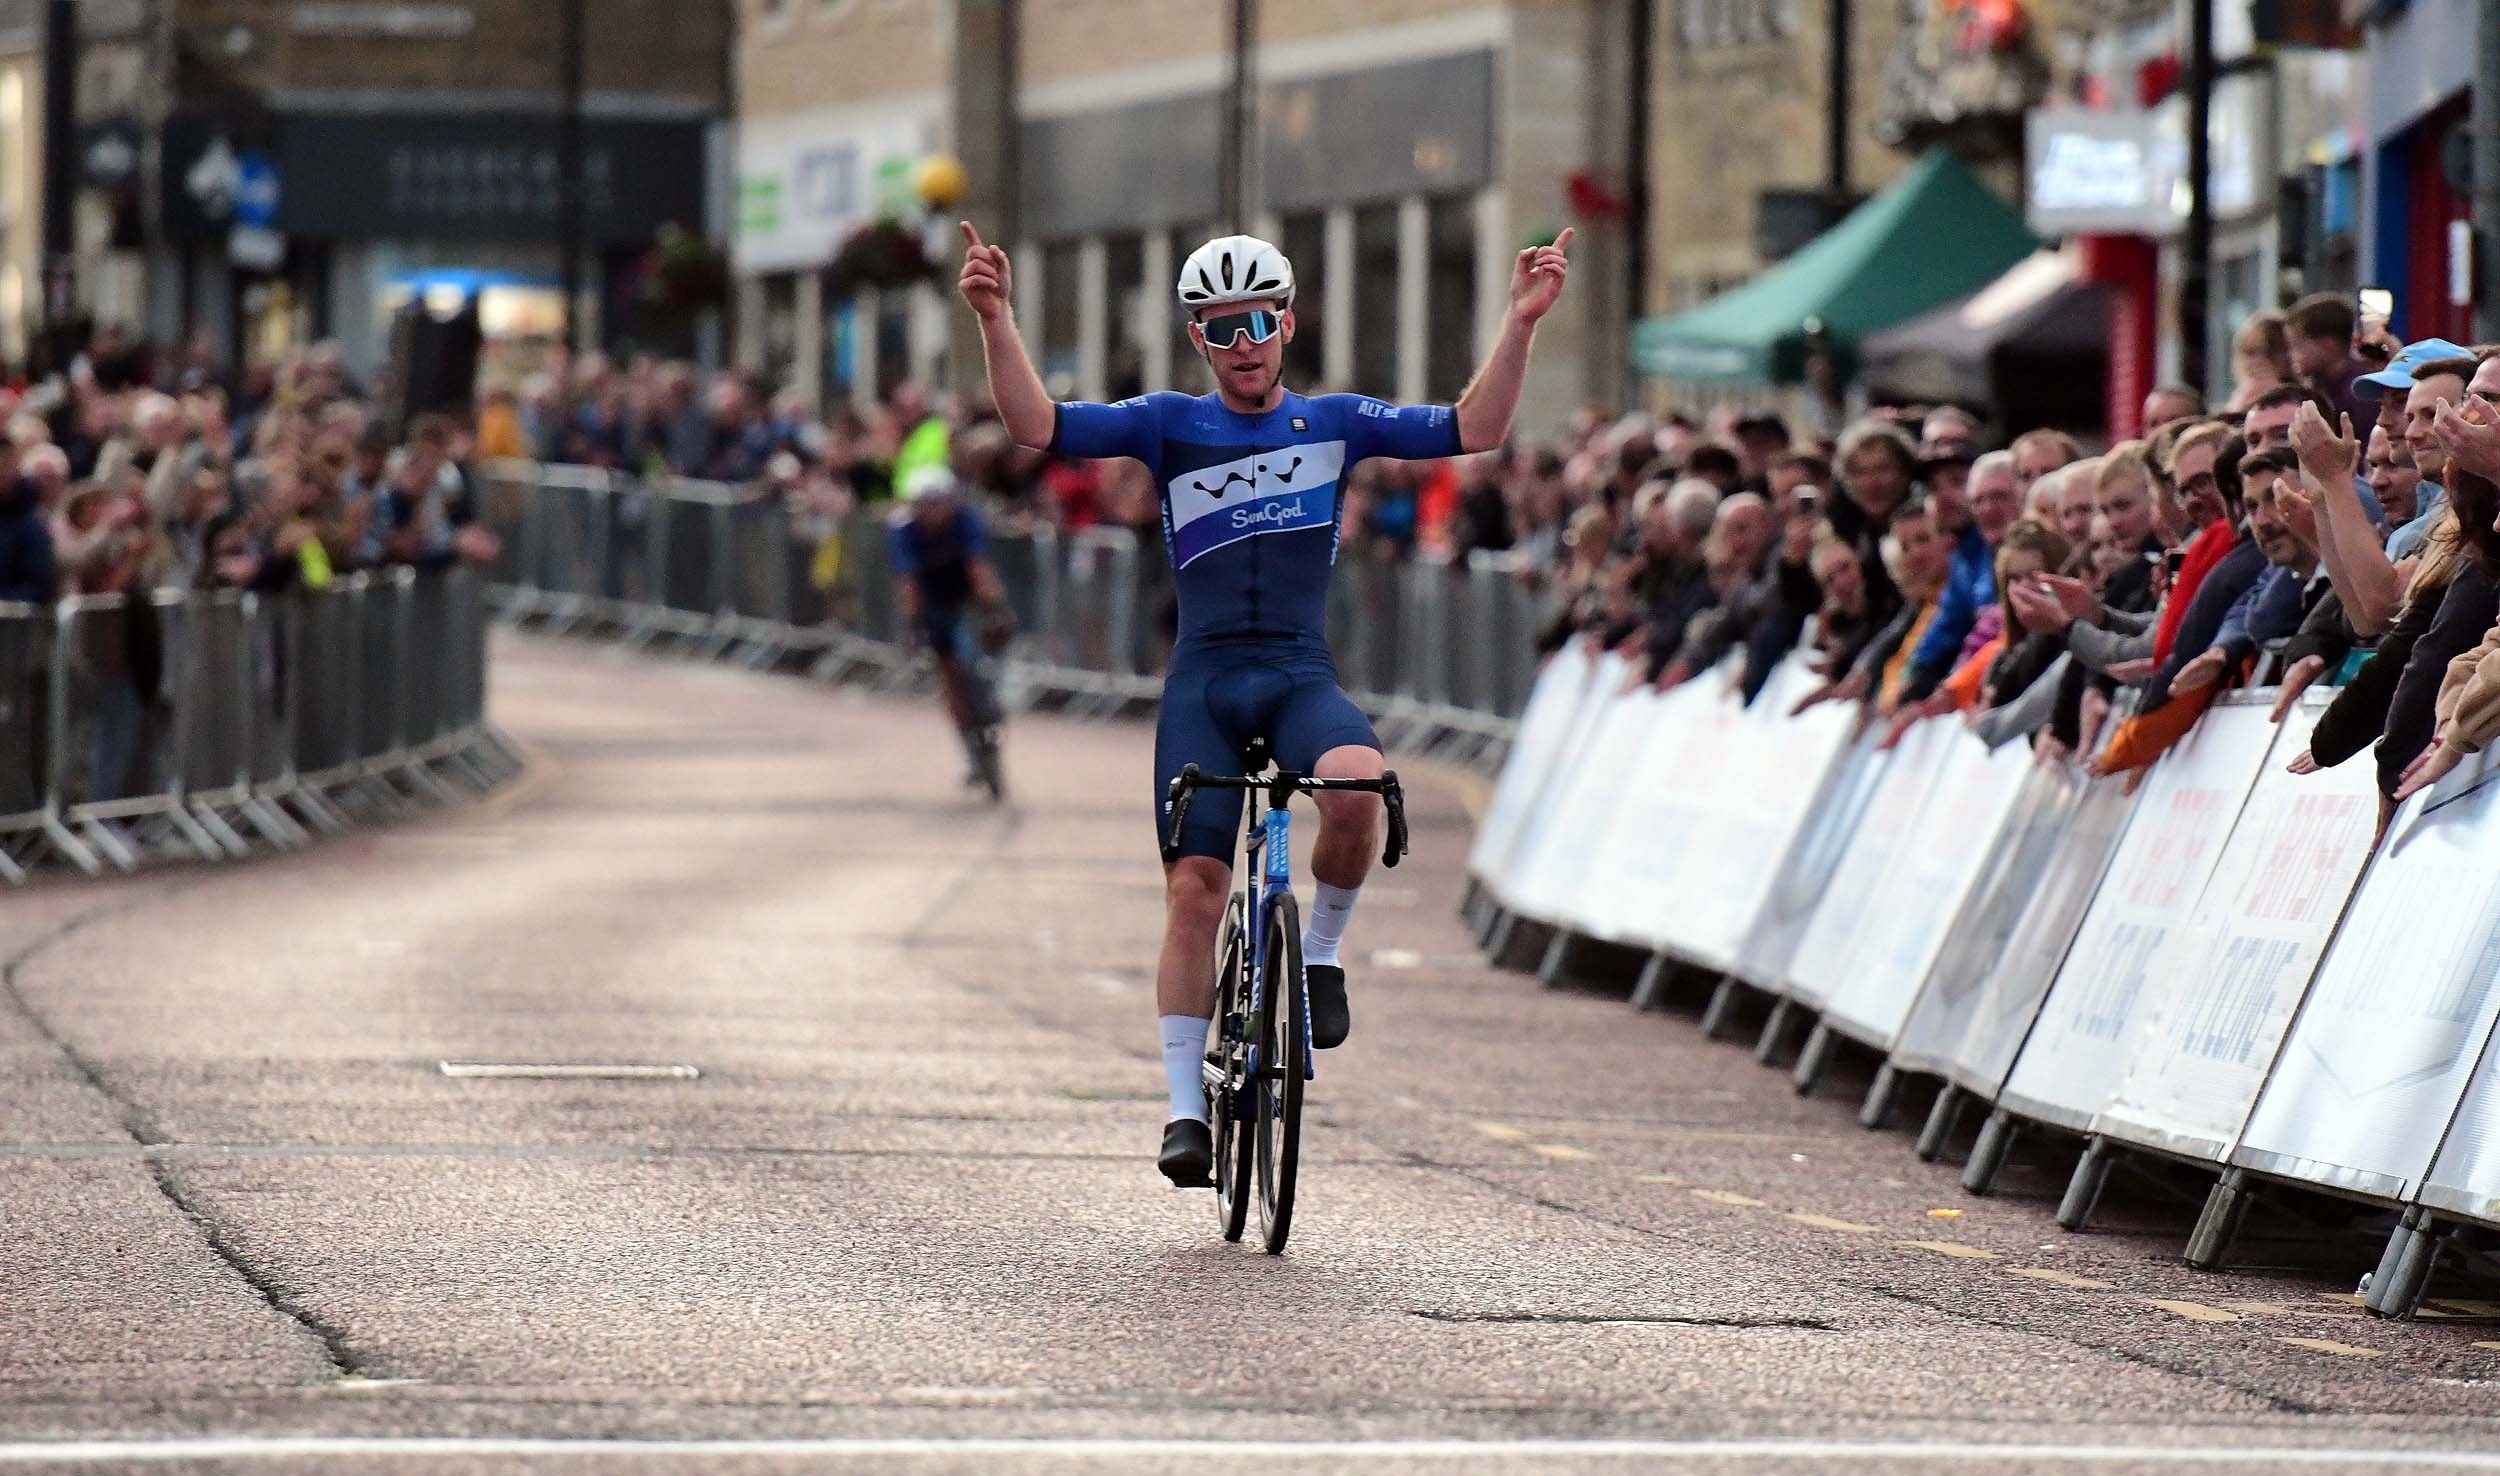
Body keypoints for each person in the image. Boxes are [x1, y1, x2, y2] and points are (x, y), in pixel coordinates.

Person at [957, 222, 1572, 1188]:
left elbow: (1474, 430)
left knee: (1361, 786)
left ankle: (1321, 952)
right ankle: (1184, 1109)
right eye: (1220, 326)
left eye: (1259, 320)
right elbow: (1038, 425)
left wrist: (1521, 320)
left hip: (1296, 673)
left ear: (1286, 322)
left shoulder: (1334, 421)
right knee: (1196, 892)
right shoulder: (1167, 422)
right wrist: (996, 317)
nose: (1244, 342)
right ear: (1198, 339)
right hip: (1203, 680)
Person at [888, 465, 1016, 784]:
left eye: (939, 503)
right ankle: (972, 754)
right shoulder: (903, 530)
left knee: (974, 655)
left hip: (966, 599)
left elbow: (979, 568)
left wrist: (996, 608)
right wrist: (913, 625)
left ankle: (988, 697)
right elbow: (909, 583)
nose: (933, 512)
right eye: (926, 505)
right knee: (950, 678)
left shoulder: (966, 520)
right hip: (934, 604)